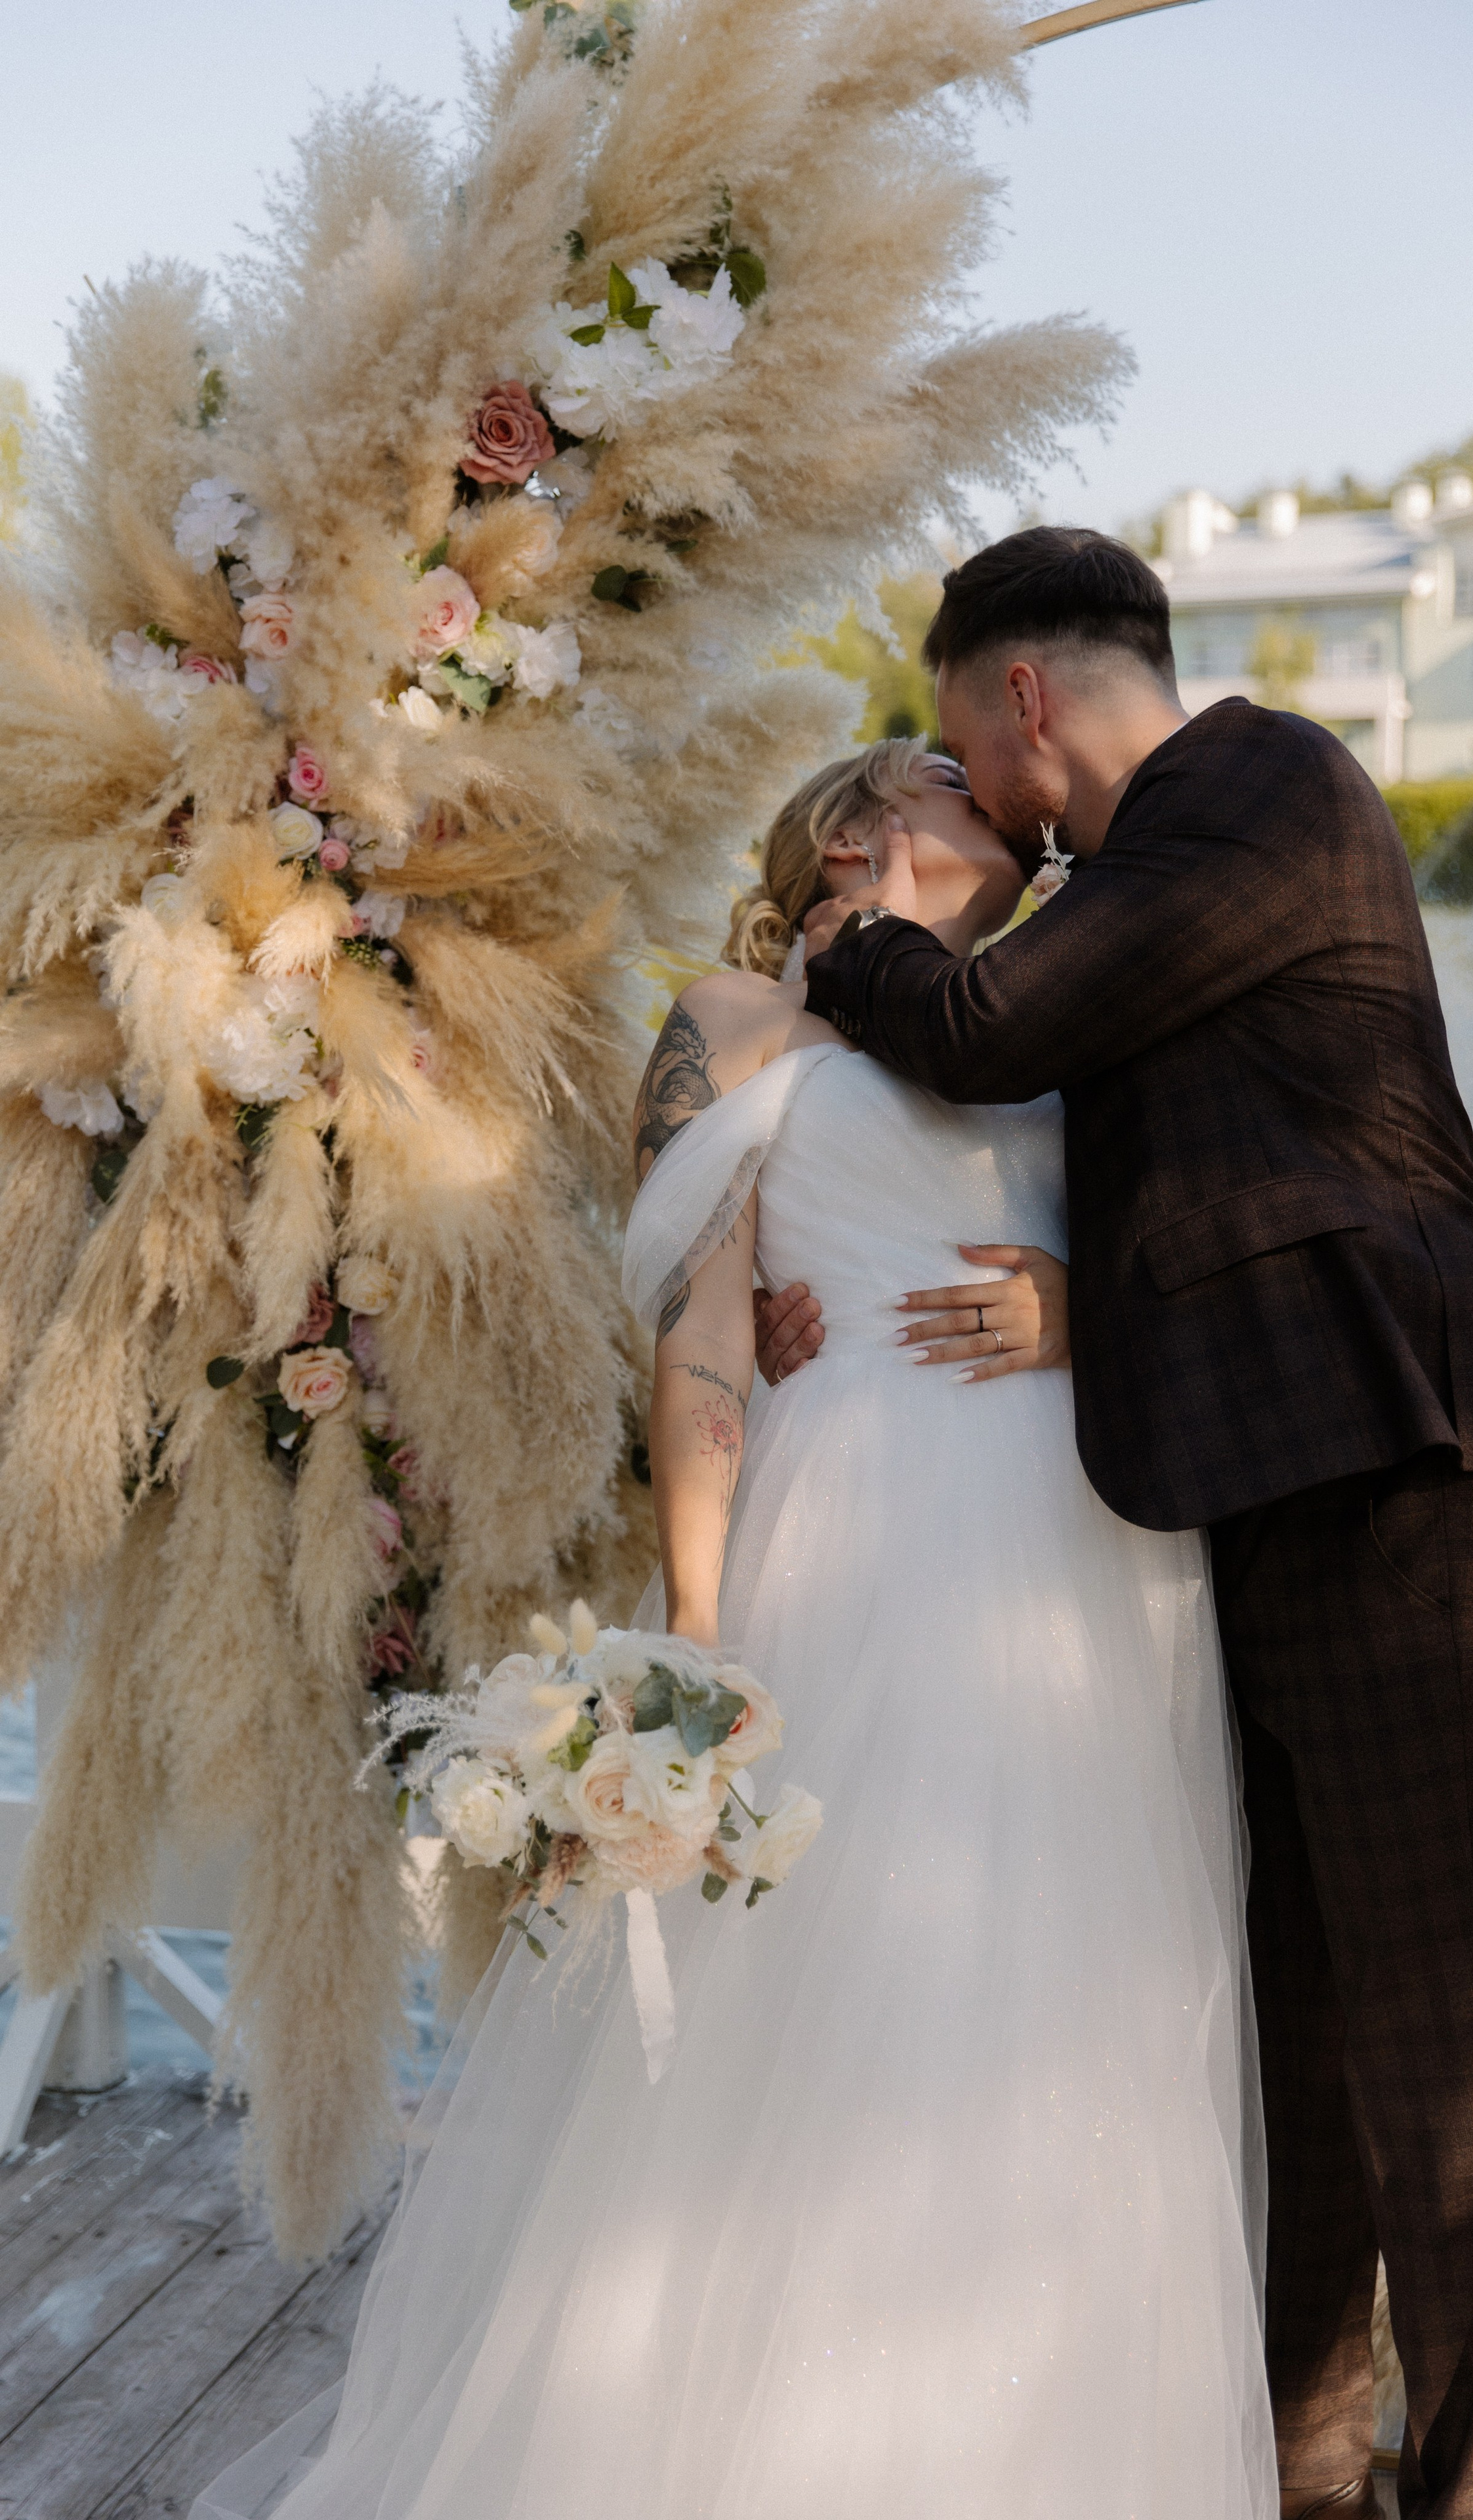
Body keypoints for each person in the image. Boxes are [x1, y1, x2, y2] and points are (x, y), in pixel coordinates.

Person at [190, 737, 1274, 2520]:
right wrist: (698, 1624)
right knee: (823, 1969)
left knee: (1063, 1978)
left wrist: (1091, 1313)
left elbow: (1187, 1233)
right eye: (948, 776)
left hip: (1073, 1563)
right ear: (856, 832)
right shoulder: (734, 1021)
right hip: (851, 1534)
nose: (998, 800)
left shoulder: (1061, 1011)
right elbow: (701, 1336)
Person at [779, 528, 1473, 2520]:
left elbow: (982, 1031)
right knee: (1293, 2066)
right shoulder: (1148, 875)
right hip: (1270, 1506)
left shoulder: (1261, 785)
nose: (986, 801)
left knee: (1442, 2088)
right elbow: (1195, 1173)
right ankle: (1295, 2480)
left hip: (1420, 1499)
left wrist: (847, 932)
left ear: (1023, 696)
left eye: (969, 749)